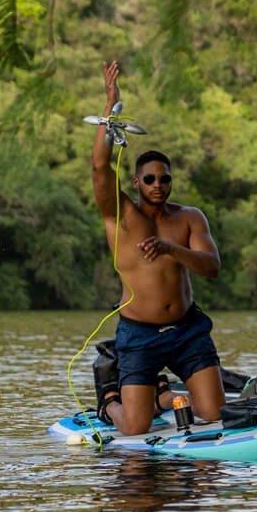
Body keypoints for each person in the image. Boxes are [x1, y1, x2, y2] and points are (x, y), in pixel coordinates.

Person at [91, 60, 225, 436]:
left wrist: (170, 249)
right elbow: (100, 169)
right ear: (136, 181)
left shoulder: (189, 218)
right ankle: (109, 401)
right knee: (135, 428)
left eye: (165, 179)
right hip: (138, 335)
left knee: (213, 413)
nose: (158, 184)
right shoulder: (121, 216)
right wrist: (109, 108)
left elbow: (211, 266)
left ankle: (162, 394)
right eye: (149, 178)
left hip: (188, 330)